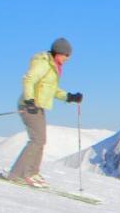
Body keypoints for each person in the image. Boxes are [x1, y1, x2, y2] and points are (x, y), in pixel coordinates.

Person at [6, 38, 83, 187]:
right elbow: (29, 79)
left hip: (37, 106)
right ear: (60, 53)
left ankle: (32, 172)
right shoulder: (43, 63)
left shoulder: (53, 68)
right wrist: (29, 100)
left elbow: (51, 90)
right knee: (37, 140)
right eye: (67, 55)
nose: (68, 59)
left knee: (40, 140)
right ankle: (18, 174)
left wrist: (69, 97)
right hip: (29, 106)